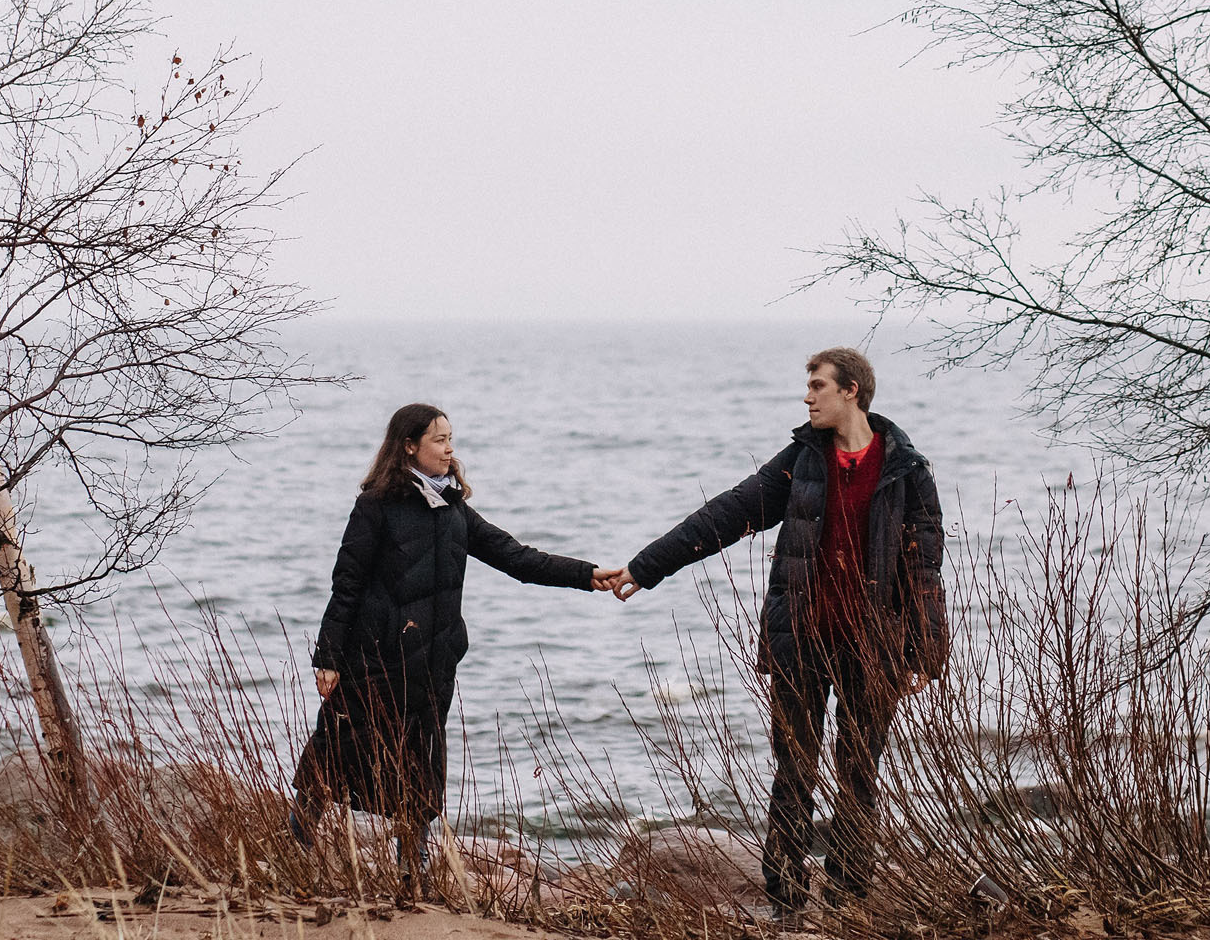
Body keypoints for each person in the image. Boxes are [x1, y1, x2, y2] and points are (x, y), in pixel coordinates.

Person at [597, 348, 948, 919]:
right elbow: (724, 516)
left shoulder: (907, 469)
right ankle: (786, 902)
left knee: (860, 775)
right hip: (800, 644)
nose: (807, 397)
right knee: (795, 773)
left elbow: (924, 568)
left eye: (817, 386)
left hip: (873, 648)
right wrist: (645, 567)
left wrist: (922, 653)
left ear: (851, 390)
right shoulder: (800, 463)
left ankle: (846, 900)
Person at [294, 402, 607, 883]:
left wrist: (587, 575)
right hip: (374, 659)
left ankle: (410, 869)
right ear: (409, 446)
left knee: (421, 765)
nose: (449, 448)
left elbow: (518, 559)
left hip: (433, 665)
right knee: (337, 752)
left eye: (450, 438)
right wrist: (329, 657)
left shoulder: (454, 511)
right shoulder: (376, 506)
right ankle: (293, 842)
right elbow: (347, 584)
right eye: (439, 439)